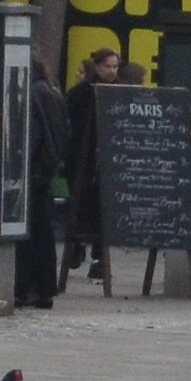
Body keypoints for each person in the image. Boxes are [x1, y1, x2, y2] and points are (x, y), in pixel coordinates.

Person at [62, 47, 120, 280]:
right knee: (79, 206)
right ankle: (77, 247)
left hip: (108, 164)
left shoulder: (119, 94)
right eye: (108, 66)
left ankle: (97, 259)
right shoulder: (80, 94)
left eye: (115, 66)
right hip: (80, 162)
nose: (112, 71)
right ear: (96, 66)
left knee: (102, 211)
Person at [20, 58, 70, 309]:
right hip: (46, 170)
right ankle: (45, 288)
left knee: (31, 232)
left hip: (33, 169)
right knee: (44, 231)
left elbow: (33, 135)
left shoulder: (30, 94)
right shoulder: (51, 92)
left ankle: (30, 287)